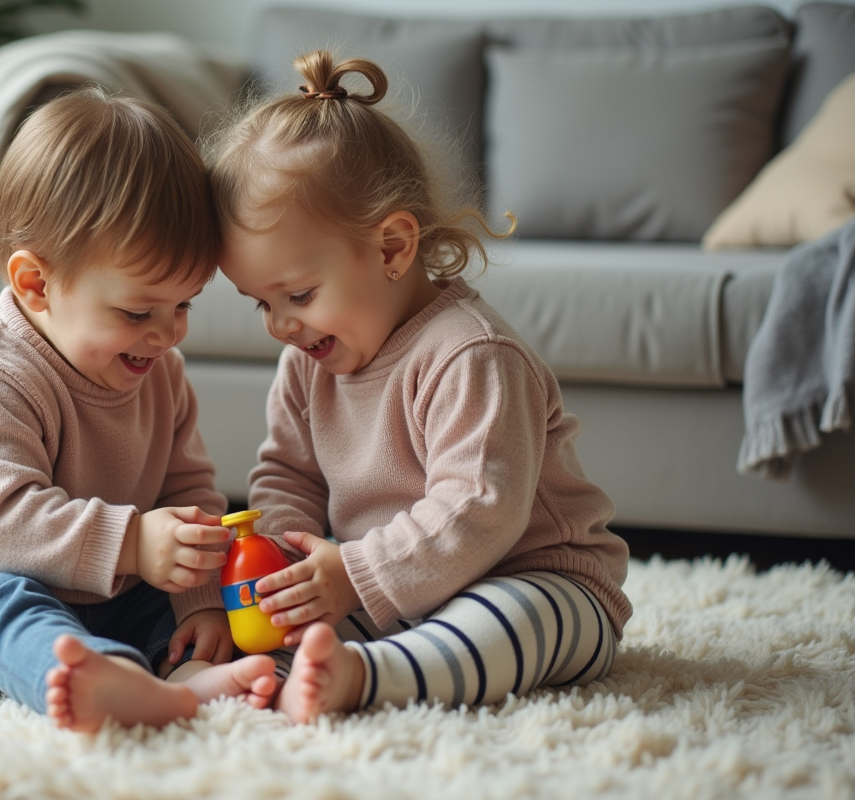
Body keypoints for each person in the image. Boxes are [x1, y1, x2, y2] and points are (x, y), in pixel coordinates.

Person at [205, 51, 633, 722]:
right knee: (272, 644)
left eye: (298, 294)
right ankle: (281, 673)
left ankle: (379, 678)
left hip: (535, 577)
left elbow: (479, 507)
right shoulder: (307, 364)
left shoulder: (470, 352)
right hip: (389, 589)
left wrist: (353, 574)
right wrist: (289, 572)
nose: (281, 325)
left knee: (509, 619)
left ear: (393, 248)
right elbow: (288, 476)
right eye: (261, 304)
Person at [0, 87, 277, 734]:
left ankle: (181, 675)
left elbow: (187, 491)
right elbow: (4, 527)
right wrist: (136, 542)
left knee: (194, 605)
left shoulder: (160, 374)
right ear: (35, 285)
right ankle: (98, 677)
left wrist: (199, 603)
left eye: (184, 306)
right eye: (138, 312)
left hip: (105, 585)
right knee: (10, 610)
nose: (169, 333)